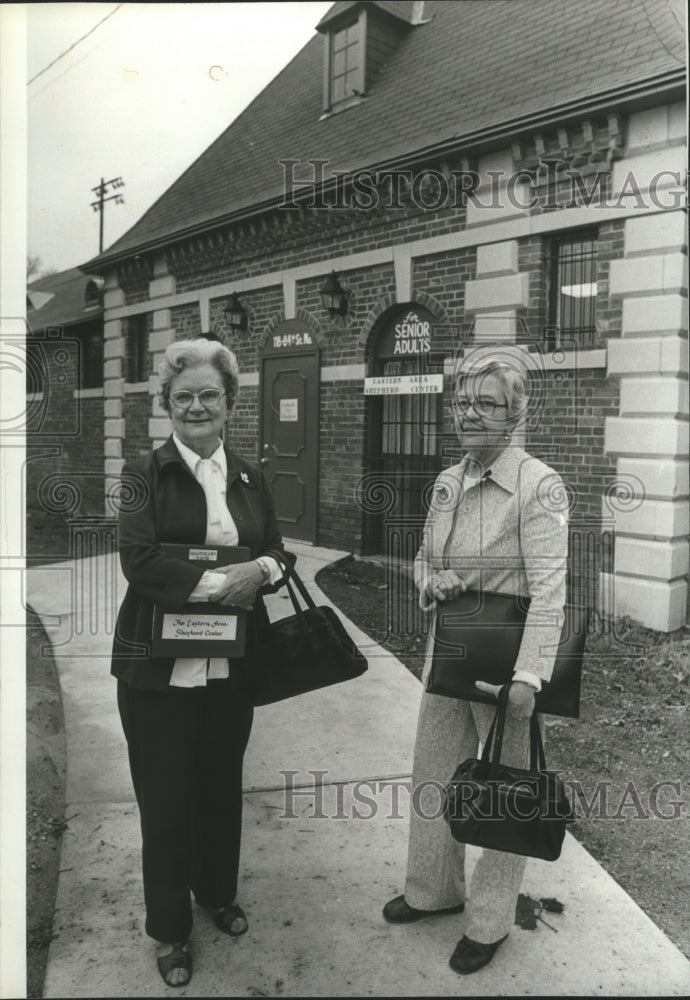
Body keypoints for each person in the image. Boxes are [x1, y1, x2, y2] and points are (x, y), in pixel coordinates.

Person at [112, 337, 290, 987]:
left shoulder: (249, 475)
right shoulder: (144, 475)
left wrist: (262, 568)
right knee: (165, 801)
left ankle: (216, 893)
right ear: (165, 404)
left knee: (219, 788)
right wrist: (228, 584)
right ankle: (169, 931)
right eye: (182, 396)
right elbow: (140, 561)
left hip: (230, 669)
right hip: (157, 673)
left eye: (208, 394)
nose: (195, 406)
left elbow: (277, 552)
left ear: (230, 402)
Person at [383, 351, 568, 975]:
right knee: (433, 773)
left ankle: (490, 921)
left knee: (502, 792)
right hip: (448, 657)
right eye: (462, 402)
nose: (469, 414)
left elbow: (550, 588)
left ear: (515, 414)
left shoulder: (538, 487)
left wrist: (528, 677)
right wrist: (429, 582)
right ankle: (432, 891)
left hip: (505, 669)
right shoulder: (447, 482)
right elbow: (421, 558)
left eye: (485, 403)